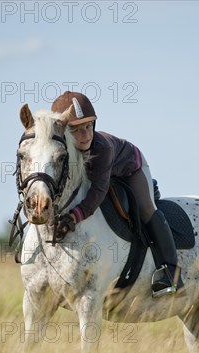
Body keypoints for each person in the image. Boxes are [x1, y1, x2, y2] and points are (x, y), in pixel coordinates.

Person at [51, 91, 183, 297]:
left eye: (89, 126)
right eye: (76, 130)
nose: (86, 135)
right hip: (105, 172)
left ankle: (171, 272)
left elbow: (98, 190)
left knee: (147, 208)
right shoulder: (61, 151)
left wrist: (74, 216)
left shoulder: (101, 147)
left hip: (131, 167)